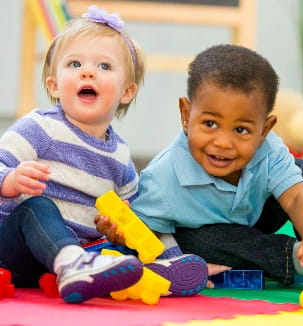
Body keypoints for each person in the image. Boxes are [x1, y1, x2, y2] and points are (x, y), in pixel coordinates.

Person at [0, 6, 202, 304]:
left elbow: (143, 216)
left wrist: (172, 256)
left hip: (75, 257)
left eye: (104, 67)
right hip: (14, 250)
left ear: (127, 92)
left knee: (120, 243)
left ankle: (158, 271)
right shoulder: (40, 127)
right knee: (37, 207)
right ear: (54, 85)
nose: (88, 71)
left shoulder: (119, 156)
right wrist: (10, 181)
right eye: (74, 64)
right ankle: (73, 265)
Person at [128, 44, 303, 285]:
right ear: (186, 115)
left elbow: (295, 197)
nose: (223, 143)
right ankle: (291, 257)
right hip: (216, 237)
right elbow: (145, 233)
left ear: (264, 131)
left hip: (257, 214)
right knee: (200, 243)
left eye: (241, 130)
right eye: (210, 124)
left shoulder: (268, 149)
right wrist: (174, 267)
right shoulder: (163, 178)